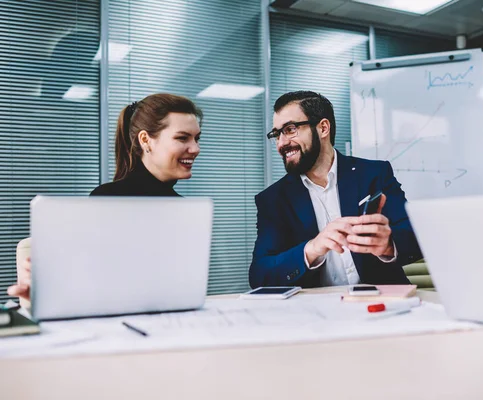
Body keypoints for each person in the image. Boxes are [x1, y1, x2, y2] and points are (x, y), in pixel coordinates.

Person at [7, 93, 203, 302]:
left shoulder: (184, 208)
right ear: (146, 140)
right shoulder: (109, 199)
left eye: (197, 138)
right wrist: (48, 285)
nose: (195, 149)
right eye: (182, 138)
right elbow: (83, 278)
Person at [249, 91, 422, 288]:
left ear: (323, 128)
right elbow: (259, 275)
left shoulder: (374, 174)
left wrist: (389, 244)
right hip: (317, 312)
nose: (281, 143)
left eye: (290, 129)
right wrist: (311, 249)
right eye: (276, 134)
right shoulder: (273, 200)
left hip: (383, 304)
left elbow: (415, 237)